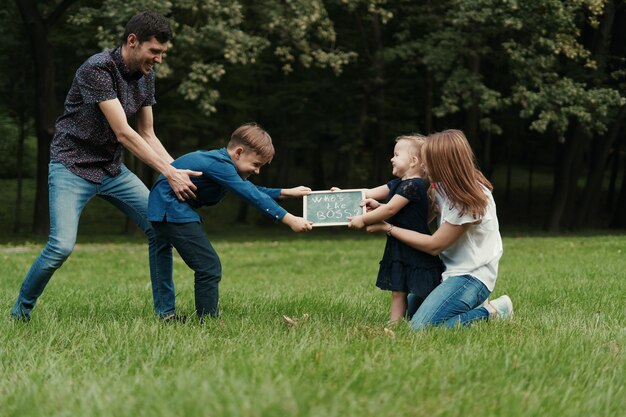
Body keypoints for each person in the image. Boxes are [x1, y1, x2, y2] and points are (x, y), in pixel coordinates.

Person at [11, 11, 201, 322]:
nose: (159, 60)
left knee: (159, 228)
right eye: (154, 51)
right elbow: (124, 133)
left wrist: (178, 170)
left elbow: (147, 132)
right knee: (60, 247)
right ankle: (20, 312)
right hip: (71, 165)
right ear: (132, 41)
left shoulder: (147, 76)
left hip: (111, 170)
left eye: (163, 53)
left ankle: (166, 314)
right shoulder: (97, 69)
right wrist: (169, 174)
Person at [148, 123, 313, 320]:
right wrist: (289, 219)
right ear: (239, 152)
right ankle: (207, 320)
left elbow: (247, 188)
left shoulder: (221, 163)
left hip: (161, 208)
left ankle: (166, 315)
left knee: (162, 258)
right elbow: (250, 193)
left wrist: (286, 192)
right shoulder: (218, 164)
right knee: (208, 266)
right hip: (171, 209)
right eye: (256, 164)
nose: (257, 171)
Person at [365, 129, 513, 330]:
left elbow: (434, 245)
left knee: (420, 328)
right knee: (410, 316)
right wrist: (381, 209)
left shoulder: (469, 199)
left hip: (472, 276)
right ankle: (463, 307)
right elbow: (418, 221)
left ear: (442, 163)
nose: (423, 165)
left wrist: (387, 228)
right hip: (445, 271)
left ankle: (493, 312)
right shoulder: (440, 187)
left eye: (427, 161)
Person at [346, 136, 443, 324]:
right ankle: (394, 325)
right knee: (398, 291)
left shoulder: (414, 186)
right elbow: (369, 192)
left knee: (424, 287)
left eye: (397, 154)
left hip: (415, 247)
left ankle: (442, 308)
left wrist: (363, 219)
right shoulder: (397, 184)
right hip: (399, 245)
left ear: (413, 161)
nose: (392, 158)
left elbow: (390, 209)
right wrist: (341, 195)